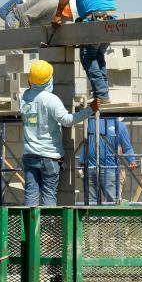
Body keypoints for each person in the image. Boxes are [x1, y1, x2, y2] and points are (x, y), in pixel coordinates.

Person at [21, 60, 98, 206]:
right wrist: (90, 109)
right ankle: (48, 229)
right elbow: (67, 120)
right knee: (49, 196)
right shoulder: (51, 100)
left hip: (29, 155)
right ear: (48, 80)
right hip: (49, 157)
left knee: (30, 196)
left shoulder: (24, 97)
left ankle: (30, 229)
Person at [50, 0, 117, 104]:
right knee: (97, 55)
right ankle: (103, 93)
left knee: (87, 56)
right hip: (110, 18)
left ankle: (101, 95)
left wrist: (58, 15)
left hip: (96, 19)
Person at [81, 117, 138, 204]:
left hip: (109, 168)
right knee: (91, 202)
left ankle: (113, 217)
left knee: (113, 201)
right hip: (90, 167)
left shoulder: (119, 126)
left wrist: (132, 160)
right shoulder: (91, 121)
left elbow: (127, 147)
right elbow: (86, 142)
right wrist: (82, 162)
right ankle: (92, 218)